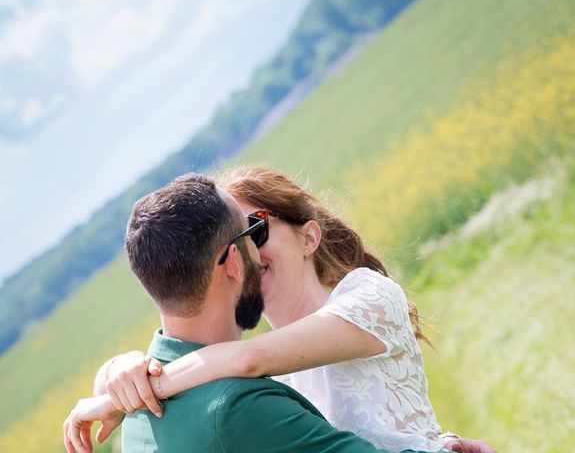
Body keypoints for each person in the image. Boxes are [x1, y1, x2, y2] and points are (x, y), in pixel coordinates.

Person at [64, 168, 495, 453]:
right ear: (232, 263)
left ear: (309, 238)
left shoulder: (368, 296)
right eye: (244, 235)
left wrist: (139, 388)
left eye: (259, 229)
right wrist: (120, 373)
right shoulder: (262, 361)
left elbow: (246, 360)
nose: (252, 246)